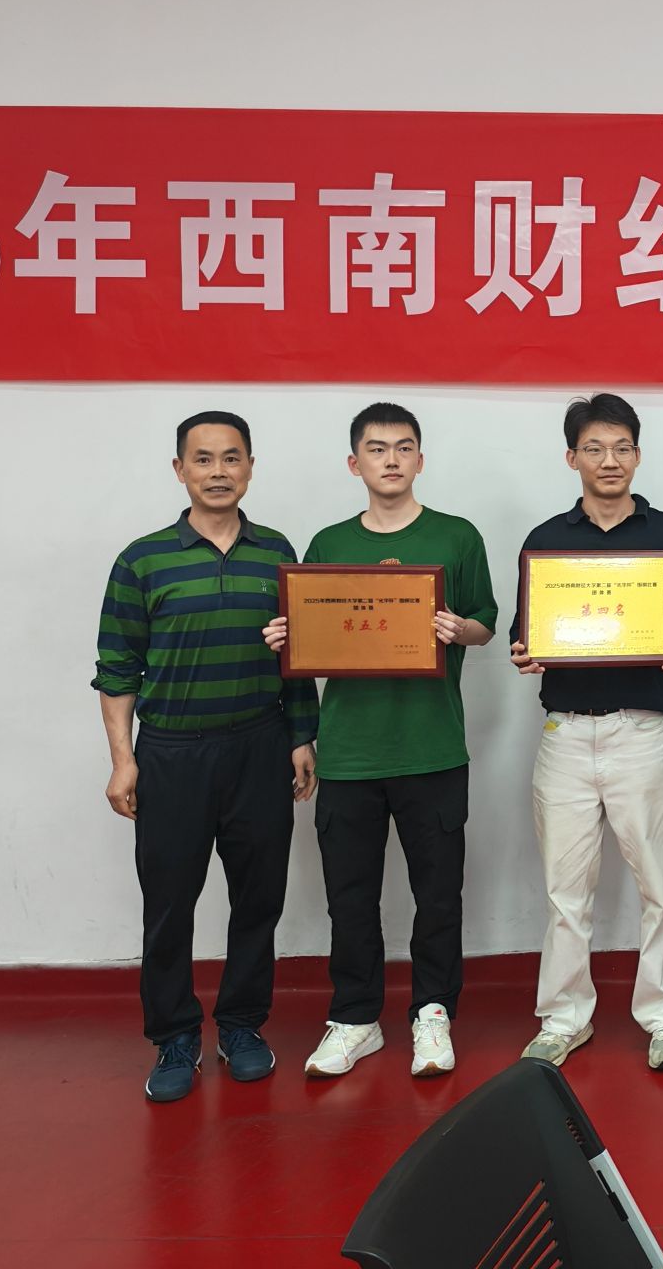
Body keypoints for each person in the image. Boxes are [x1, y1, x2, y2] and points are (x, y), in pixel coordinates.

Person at [261, 403, 496, 1080]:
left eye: (404, 447)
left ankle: (432, 1013)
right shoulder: (328, 544)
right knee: (350, 896)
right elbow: (310, 636)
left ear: (421, 459)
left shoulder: (457, 536)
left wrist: (458, 629)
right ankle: (355, 1017)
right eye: (376, 448)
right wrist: (288, 640)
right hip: (350, 753)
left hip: (432, 748)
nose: (391, 459)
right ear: (354, 463)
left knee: (438, 895)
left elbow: (486, 621)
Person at [94, 411, 320, 1102]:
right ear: (179, 470)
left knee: (259, 896)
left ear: (250, 467)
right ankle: (175, 1036)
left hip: (259, 745)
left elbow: (299, 654)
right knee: (169, 902)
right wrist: (123, 759)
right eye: (203, 459)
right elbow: (116, 668)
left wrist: (301, 736)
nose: (218, 472)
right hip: (172, 755)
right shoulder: (142, 560)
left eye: (231, 458)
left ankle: (242, 1026)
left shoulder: (277, 551)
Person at [507, 393, 663, 1071]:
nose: (609, 460)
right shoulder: (547, 540)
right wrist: (523, 650)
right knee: (566, 891)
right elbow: (524, 628)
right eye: (594, 448)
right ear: (572, 457)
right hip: (565, 733)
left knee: (660, 884)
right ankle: (564, 1018)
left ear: (638, 454)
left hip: (641, 731)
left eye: (622, 447)